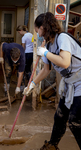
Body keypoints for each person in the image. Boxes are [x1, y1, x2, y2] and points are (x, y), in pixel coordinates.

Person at [23, 12, 81, 149]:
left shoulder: (63, 38)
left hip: (80, 81)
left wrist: (44, 53)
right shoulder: (49, 45)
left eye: (37, 29)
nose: (37, 33)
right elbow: (46, 70)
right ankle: (52, 146)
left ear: (43, 27)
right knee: (60, 117)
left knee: (74, 121)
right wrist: (32, 84)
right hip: (69, 83)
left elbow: (65, 62)